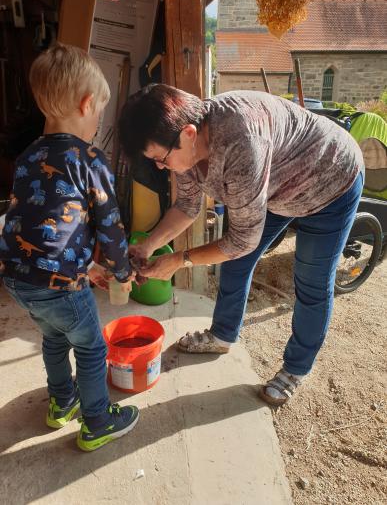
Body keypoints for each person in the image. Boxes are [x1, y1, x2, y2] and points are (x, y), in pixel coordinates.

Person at [118, 84, 364, 407]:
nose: (161, 167)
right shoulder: (185, 145)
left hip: (331, 180)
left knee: (311, 281)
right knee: (234, 260)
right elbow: (187, 207)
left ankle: (295, 369)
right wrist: (147, 246)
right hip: (276, 187)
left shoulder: (241, 141)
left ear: (188, 134)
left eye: (160, 160)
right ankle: (222, 335)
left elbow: (242, 240)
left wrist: (180, 259)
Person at [0, 43, 139, 451]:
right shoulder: (90, 159)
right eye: (99, 112)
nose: (98, 121)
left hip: (18, 280)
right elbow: (110, 226)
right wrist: (122, 271)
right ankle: (96, 421)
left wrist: (85, 266)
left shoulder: (27, 157)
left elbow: (38, 221)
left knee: (55, 338)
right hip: (60, 285)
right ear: (85, 104)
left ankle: (62, 403)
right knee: (92, 347)